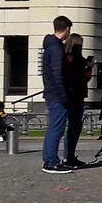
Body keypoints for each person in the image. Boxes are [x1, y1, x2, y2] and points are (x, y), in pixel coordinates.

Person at [40, 16, 73, 174]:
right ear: (66, 29)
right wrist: (64, 96)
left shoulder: (51, 47)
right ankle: (51, 161)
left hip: (53, 93)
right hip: (57, 95)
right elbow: (58, 75)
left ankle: (51, 159)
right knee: (56, 128)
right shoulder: (56, 49)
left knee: (55, 127)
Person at [61, 33, 91, 168]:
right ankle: (69, 156)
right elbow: (84, 78)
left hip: (68, 94)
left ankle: (68, 156)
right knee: (74, 127)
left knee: (67, 127)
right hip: (77, 95)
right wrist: (89, 67)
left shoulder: (65, 57)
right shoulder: (78, 60)